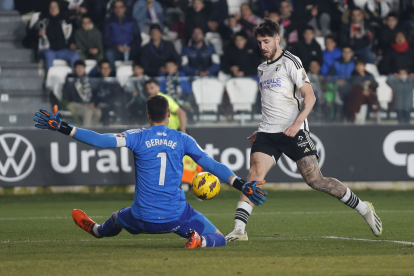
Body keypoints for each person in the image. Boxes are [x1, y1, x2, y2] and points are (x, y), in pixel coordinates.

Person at [33, 98, 268, 249]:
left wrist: (64, 128)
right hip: (177, 218)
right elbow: (211, 165)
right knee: (218, 238)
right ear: (168, 114)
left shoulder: (137, 136)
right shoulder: (182, 138)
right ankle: (199, 240)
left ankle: (96, 230)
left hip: (140, 218)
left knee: (116, 217)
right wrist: (241, 184)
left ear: (148, 115)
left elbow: (101, 141)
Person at [225, 18, 382, 242]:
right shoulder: (262, 68)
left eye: (267, 41)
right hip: (268, 133)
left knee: (315, 180)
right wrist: (260, 129)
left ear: (278, 39)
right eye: (259, 42)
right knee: (254, 175)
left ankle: (363, 208)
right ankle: (239, 230)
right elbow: (271, 103)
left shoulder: (291, 61)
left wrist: (297, 124)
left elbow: (310, 97)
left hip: (293, 130)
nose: (263, 46)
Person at [36, 1, 80, 71]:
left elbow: (70, 37)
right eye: (51, 7)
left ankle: (73, 78)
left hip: (62, 50)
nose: (53, 9)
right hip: (47, 50)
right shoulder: (43, 20)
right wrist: (39, 33)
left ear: (59, 8)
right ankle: (50, 79)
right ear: (48, 8)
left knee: (75, 55)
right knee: (49, 54)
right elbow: (32, 33)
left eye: (55, 7)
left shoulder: (65, 21)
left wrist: (71, 44)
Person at [103, 0, 142, 71]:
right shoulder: (108, 21)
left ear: (124, 8)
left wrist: (130, 47)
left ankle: (139, 74)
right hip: (116, 49)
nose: (118, 10)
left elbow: (138, 38)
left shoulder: (131, 21)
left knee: (142, 52)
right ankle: (113, 75)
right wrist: (117, 46)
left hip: (130, 49)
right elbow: (106, 39)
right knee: (109, 54)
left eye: (120, 7)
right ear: (113, 9)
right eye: (116, 7)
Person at [62, 60, 102, 127]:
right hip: (73, 103)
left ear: (84, 69)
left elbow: (92, 94)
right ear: (74, 69)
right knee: (88, 112)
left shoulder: (88, 80)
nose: (80, 69)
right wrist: (82, 103)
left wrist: (92, 102)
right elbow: (67, 96)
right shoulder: (70, 79)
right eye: (78, 67)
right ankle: (86, 133)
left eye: (82, 67)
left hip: (86, 105)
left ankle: (92, 130)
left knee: (98, 112)